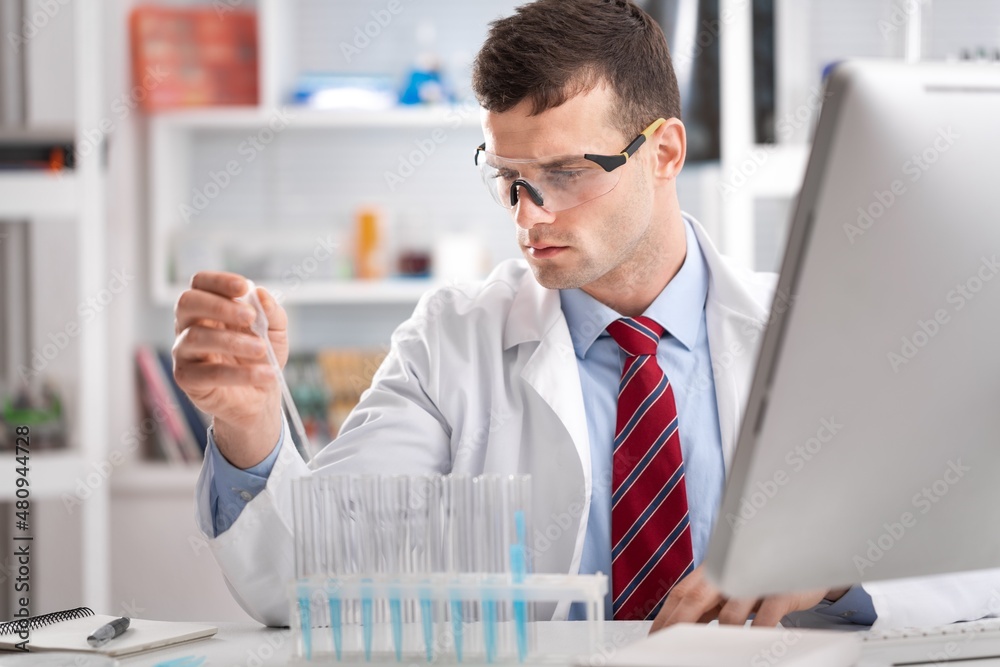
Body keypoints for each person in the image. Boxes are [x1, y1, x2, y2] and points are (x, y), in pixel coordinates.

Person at [174, 0, 1000, 630]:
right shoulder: (451, 340)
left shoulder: (819, 326)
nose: (529, 214)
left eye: (568, 171)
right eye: (509, 177)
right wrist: (250, 430)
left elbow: (978, 556)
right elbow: (305, 584)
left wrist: (837, 579)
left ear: (665, 151)